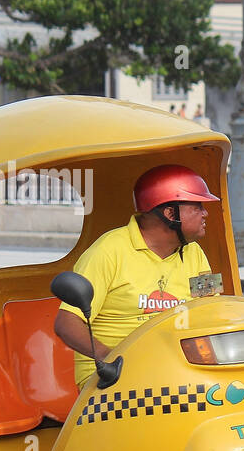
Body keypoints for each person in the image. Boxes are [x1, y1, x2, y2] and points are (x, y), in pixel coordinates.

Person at [54, 164, 218, 387]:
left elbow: (211, 309)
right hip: (112, 377)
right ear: (170, 213)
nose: (205, 213)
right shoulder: (108, 252)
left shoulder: (195, 253)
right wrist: (110, 357)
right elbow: (66, 322)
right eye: (198, 206)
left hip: (175, 371)